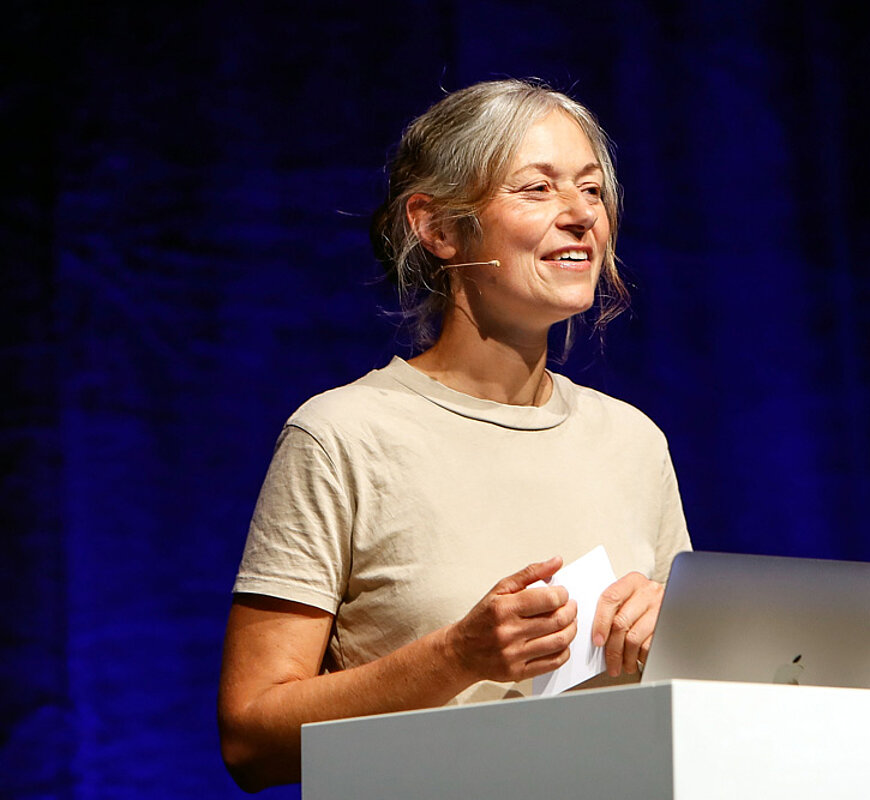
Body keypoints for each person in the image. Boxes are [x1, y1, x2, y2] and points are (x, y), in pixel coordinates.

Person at [217, 79, 691, 792]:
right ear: (437, 228)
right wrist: (457, 656)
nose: (580, 215)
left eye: (592, 190)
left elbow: (698, 702)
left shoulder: (634, 441)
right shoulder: (342, 436)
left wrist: (667, 635)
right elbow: (250, 738)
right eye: (537, 188)